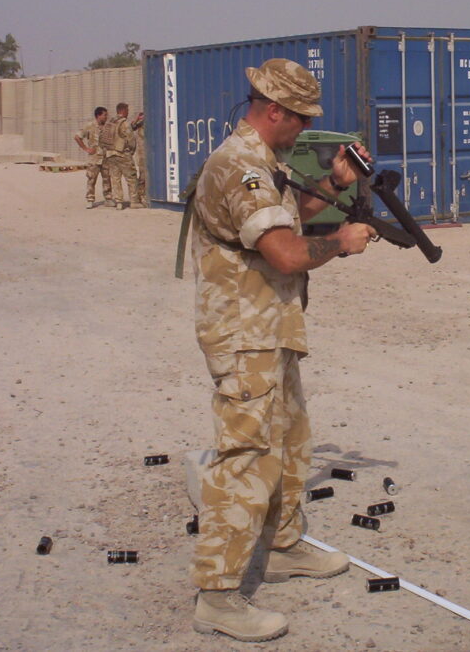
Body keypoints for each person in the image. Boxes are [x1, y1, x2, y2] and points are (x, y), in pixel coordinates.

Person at [189, 58, 374, 642]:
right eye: (301, 119)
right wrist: (342, 243)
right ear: (275, 111)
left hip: (270, 328)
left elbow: (287, 221)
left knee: (291, 440)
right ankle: (218, 596)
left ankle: (284, 546)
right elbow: (288, 253)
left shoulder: (261, 165)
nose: (305, 131)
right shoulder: (240, 167)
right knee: (245, 455)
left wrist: (337, 184)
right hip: (245, 335)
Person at [101, 102, 144, 209]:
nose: (128, 113)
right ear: (124, 111)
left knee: (115, 178)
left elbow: (102, 138)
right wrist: (131, 152)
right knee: (131, 177)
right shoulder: (124, 123)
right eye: (127, 110)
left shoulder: (110, 122)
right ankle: (134, 201)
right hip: (122, 154)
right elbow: (131, 139)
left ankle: (118, 202)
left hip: (110, 154)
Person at [73, 106, 110, 208]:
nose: (106, 117)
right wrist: (86, 149)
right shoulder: (90, 126)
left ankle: (108, 198)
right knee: (91, 179)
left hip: (105, 158)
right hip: (94, 159)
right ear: (98, 115)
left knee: (107, 179)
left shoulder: (108, 126)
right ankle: (90, 199)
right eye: (105, 115)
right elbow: (77, 137)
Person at [131, 109, 147, 206]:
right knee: (143, 175)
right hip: (142, 152)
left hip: (152, 151)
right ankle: (141, 196)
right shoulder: (141, 120)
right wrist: (137, 118)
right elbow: (132, 127)